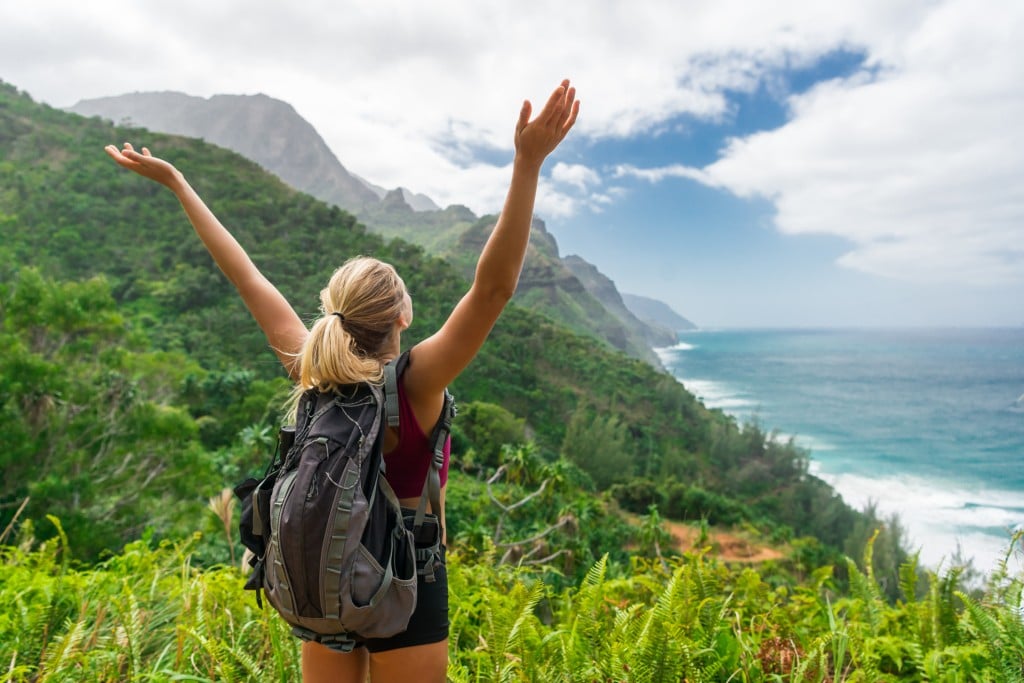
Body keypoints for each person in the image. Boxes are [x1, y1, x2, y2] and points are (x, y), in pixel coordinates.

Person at [106, 79, 579, 683]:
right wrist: (527, 163)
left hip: (325, 576)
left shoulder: (311, 371)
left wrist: (178, 183)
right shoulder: (416, 384)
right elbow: (493, 289)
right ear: (403, 317)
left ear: (332, 313)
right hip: (408, 573)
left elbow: (246, 275)